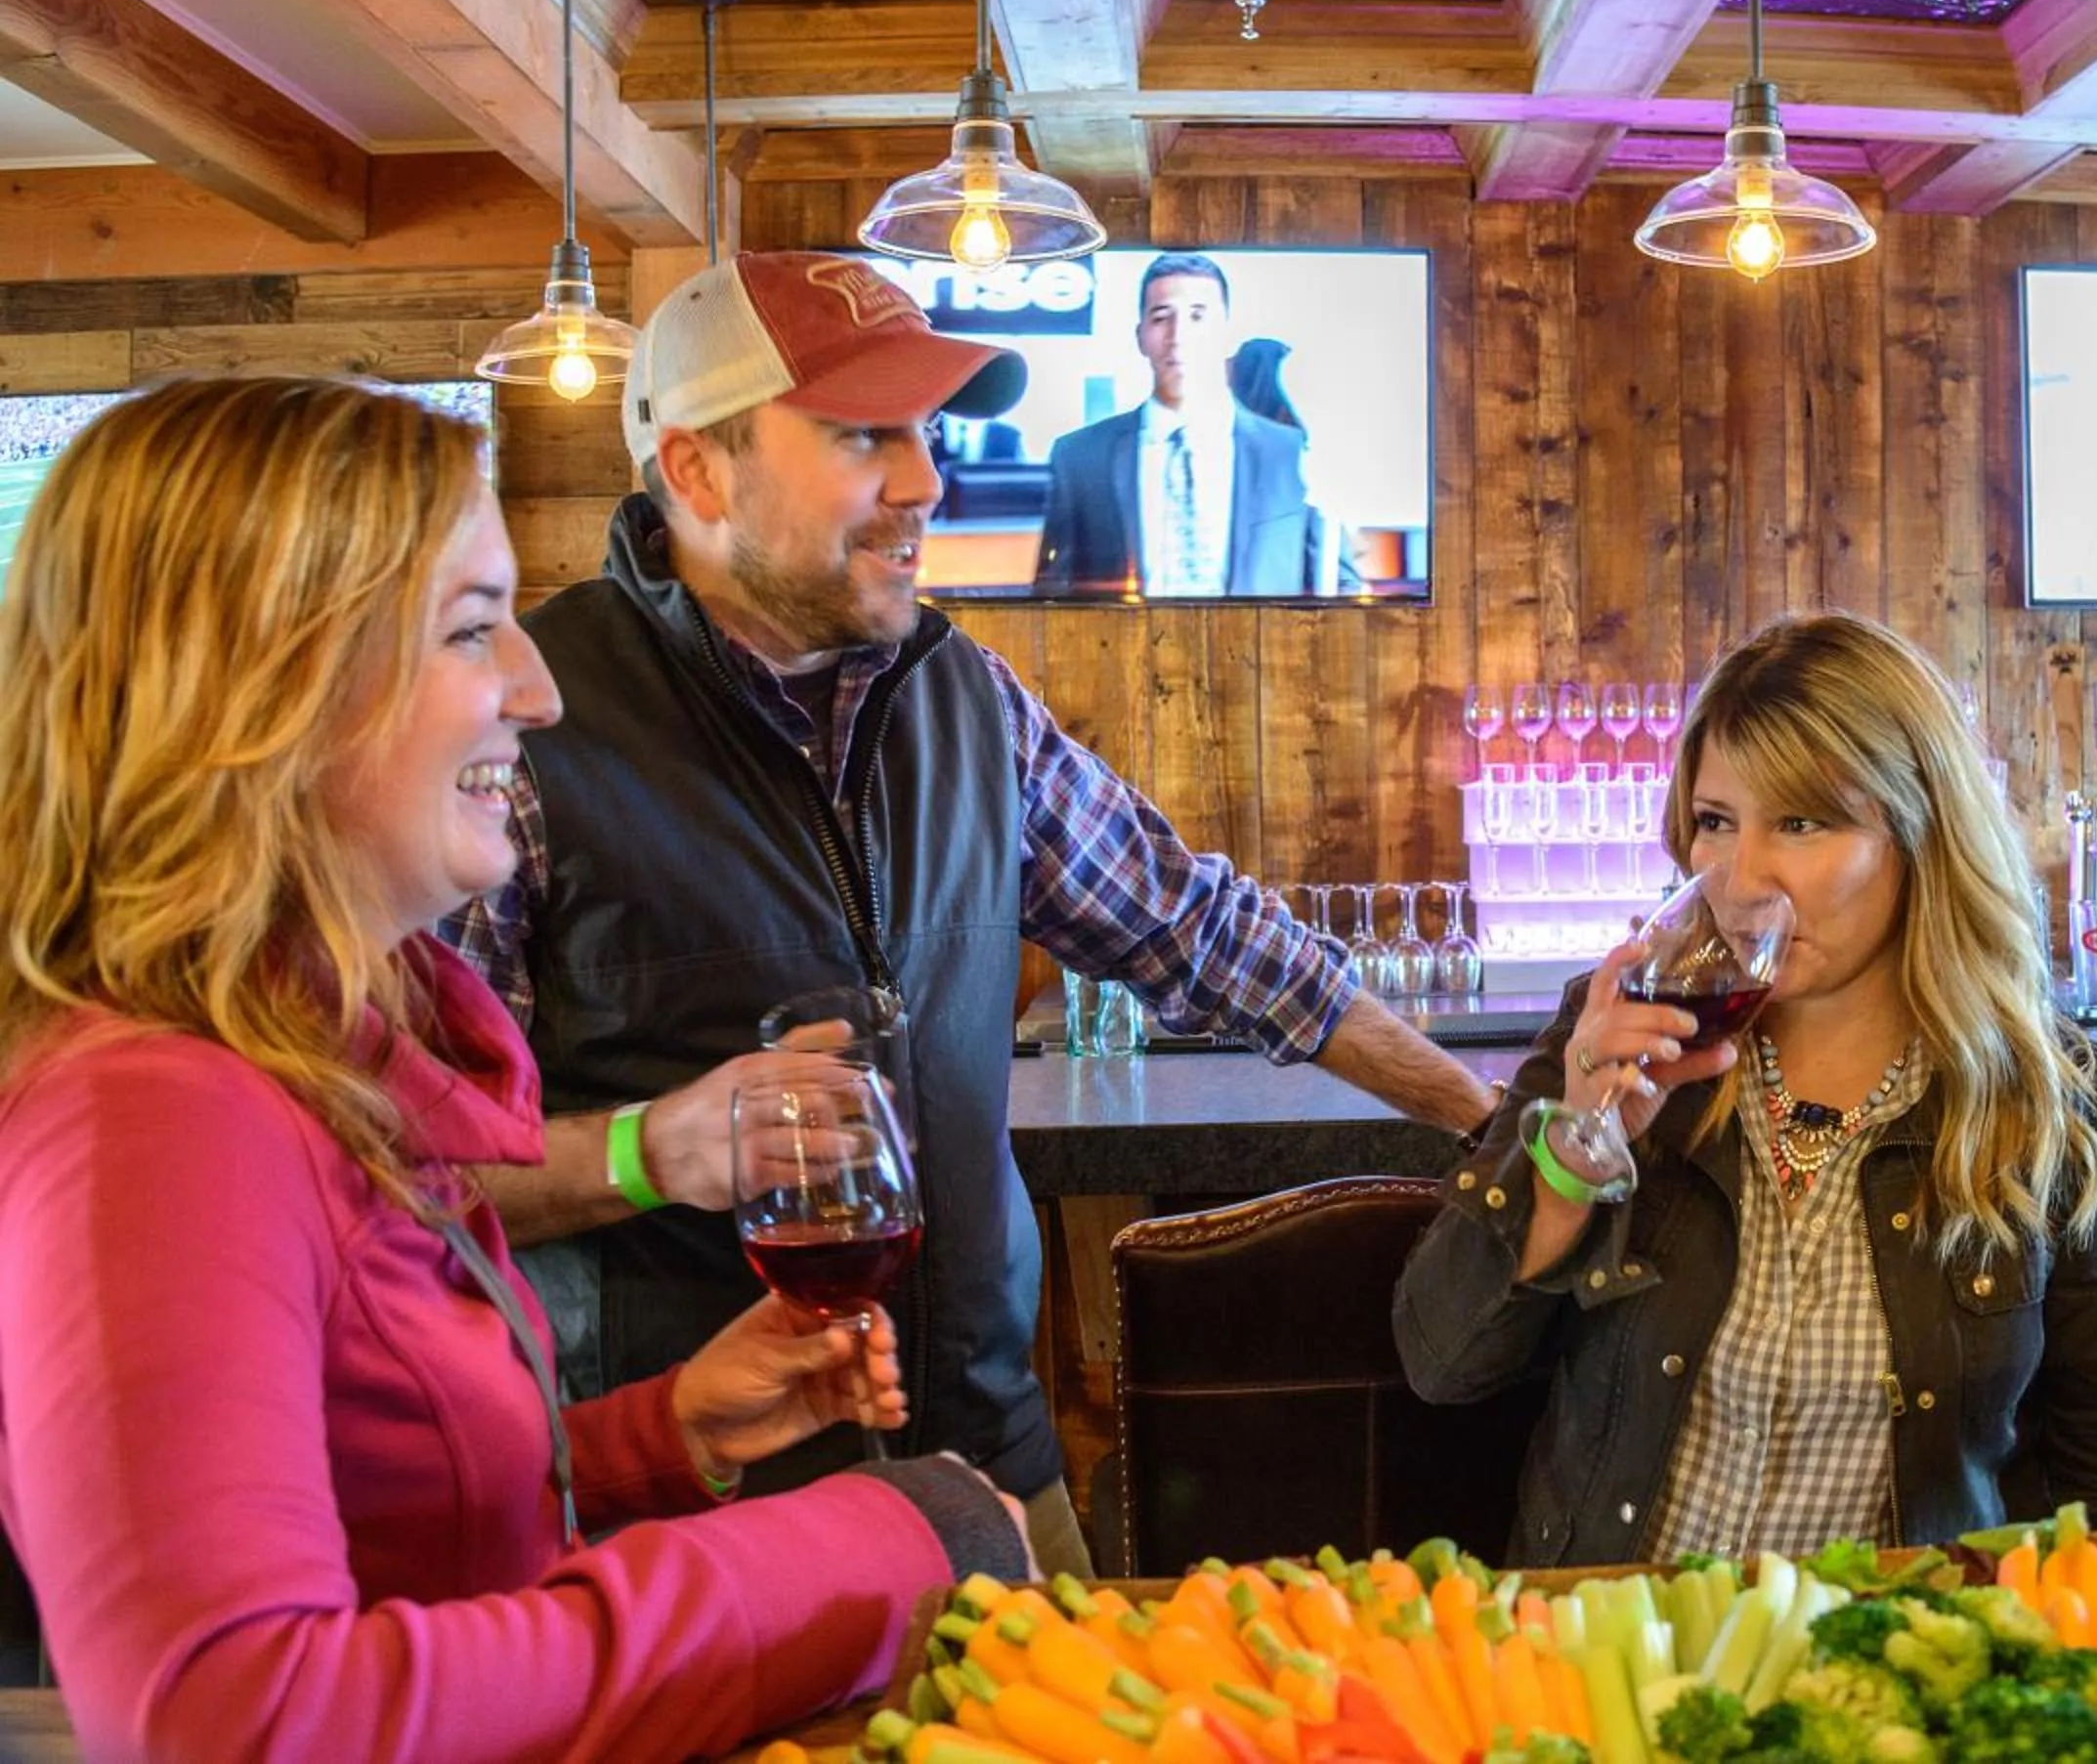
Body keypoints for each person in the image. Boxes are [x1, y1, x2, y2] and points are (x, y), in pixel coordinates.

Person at [0, 377, 1029, 1762]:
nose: (538, 692)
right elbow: (230, 1717)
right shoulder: (153, 1112)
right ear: (267, 689)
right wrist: (870, 1543)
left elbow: (386, 1517)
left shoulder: (294, 1057)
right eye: (476, 631)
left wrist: (657, 1437)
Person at [448, 250, 1494, 1578]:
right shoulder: (534, 730)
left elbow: (1206, 935)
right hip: (693, 1518)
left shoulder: (962, 697)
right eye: (863, 435)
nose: (925, 481)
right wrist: (652, 1150)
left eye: (928, 432)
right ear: (701, 473)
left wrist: (1479, 1111)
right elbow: (401, 1181)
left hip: (990, 1477)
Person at [1393, 613, 2097, 1566]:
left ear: (1919, 831)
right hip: (1611, 1646)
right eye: (1716, 822)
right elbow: (1440, 1362)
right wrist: (1574, 1148)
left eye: (1802, 822)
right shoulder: (1618, 1035)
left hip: (1892, 1667)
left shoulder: (2057, 1099)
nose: (1739, 875)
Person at [1035, 252, 1320, 597]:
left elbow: (1336, 582)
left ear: (1227, 334)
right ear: (1140, 336)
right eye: (1161, 317)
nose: (1178, 335)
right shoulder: (1079, 456)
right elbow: (1052, 595)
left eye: (1198, 316)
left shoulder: (1287, 453)